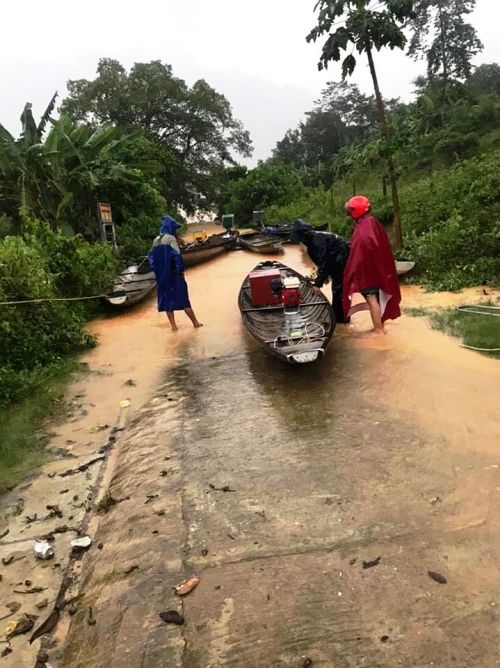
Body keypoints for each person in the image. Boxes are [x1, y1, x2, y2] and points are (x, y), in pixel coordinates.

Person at [342, 195, 401, 335]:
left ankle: (379, 331)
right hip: (377, 270)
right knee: (376, 297)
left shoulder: (362, 229)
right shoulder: (373, 223)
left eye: (350, 213)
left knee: (371, 298)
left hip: (367, 273)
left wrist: (351, 273)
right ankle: (380, 325)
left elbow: (358, 255)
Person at [148, 215, 203, 332]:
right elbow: (177, 256)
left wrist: (158, 273)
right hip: (174, 275)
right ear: (171, 227)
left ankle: (174, 327)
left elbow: (151, 259)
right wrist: (180, 271)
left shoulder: (156, 240)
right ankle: (196, 323)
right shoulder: (171, 239)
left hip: (162, 278)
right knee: (184, 299)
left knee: (167, 301)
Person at [290, 219, 350, 324]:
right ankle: (338, 315)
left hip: (342, 257)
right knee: (337, 288)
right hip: (334, 257)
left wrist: (318, 284)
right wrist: (322, 276)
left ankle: (341, 319)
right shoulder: (311, 245)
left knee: (338, 288)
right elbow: (321, 262)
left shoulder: (318, 242)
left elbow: (325, 261)